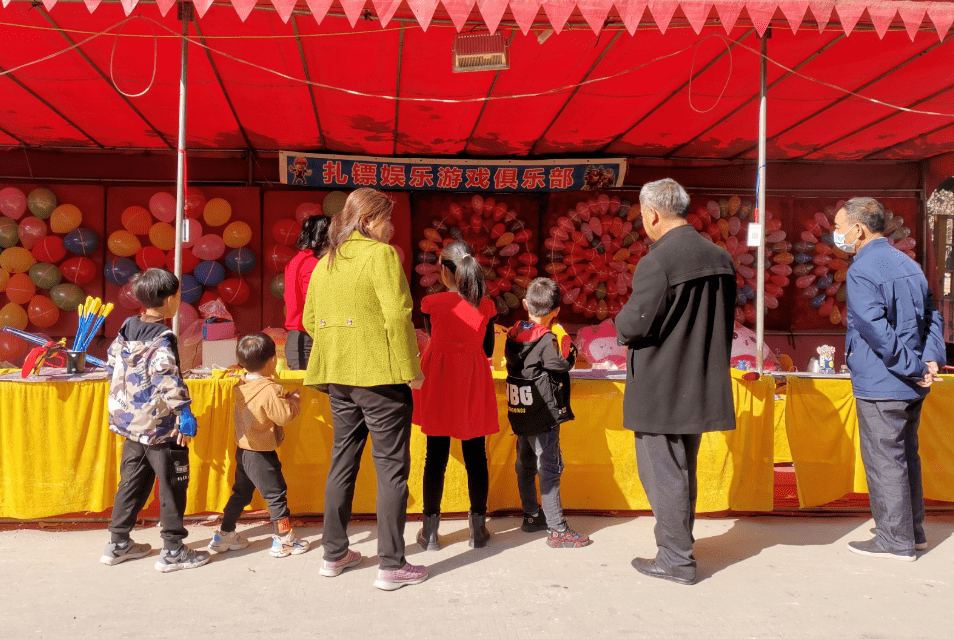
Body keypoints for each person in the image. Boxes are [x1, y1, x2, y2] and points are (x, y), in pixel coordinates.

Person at [302, 188, 427, 591]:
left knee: (343, 460)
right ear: (370, 220)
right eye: (387, 220)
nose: (391, 228)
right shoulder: (382, 256)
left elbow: (309, 320)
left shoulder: (325, 263)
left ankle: (334, 553)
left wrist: (341, 345)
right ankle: (391, 564)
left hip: (338, 375)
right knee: (392, 469)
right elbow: (398, 316)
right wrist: (412, 370)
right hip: (380, 377)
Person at [616, 178, 736, 585]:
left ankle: (676, 559)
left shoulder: (658, 261)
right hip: (699, 381)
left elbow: (635, 323)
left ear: (652, 213)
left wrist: (619, 320)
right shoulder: (720, 257)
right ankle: (678, 547)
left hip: (661, 387)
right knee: (683, 472)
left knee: (665, 473)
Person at [835, 197, 946, 561]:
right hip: (910, 382)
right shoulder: (907, 263)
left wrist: (915, 366)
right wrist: (929, 360)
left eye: (839, 228)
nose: (837, 235)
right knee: (903, 457)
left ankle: (894, 540)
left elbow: (876, 330)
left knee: (885, 460)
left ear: (859, 230)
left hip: (884, 381)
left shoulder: (862, 270)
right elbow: (933, 316)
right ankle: (911, 532)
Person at [100, 268, 210, 572]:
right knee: (174, 483)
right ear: (170, 299)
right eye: (177, 295)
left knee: (132, 482)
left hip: (130, 422)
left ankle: (118, 543)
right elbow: (165, 378)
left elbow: (112, 363)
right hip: (160, 427)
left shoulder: (126, 327)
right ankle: (173, 550)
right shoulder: (162, 339)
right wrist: (183, 413)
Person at [413, 240, 499, 551]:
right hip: (472, 381)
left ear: (446, 273)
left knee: (434, 457)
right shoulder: (485, 307)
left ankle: (431, 533)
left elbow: (434, 337)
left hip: (439, 380)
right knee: (476, 457)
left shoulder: (432, 304)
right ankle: (478, 531)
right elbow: (487, 349)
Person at [505, 277, 590, 549]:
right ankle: (557, 530)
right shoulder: (547, 340)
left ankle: (531, 515)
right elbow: (562, 364)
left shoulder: (513, 333)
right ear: (556, 311)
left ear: (525, 304)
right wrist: (567, 342)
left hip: (520, 412)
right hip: (543, 414)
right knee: (550, 469)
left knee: (526, 465)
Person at [209, 333, 309, 559]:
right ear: (273, 360)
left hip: (243, 450)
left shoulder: (240, 383)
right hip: (262, 453)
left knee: (240, 493)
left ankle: (224, 534)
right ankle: (283, 541)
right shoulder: (269, 390)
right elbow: (283, 417)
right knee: (276, 496)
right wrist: (293, 401)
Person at [284, 215, 331, 370]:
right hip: (306, 337)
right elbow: (314, 301)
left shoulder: (298, 260)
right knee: (307, 391)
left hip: (302, 336)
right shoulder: (311, 262)